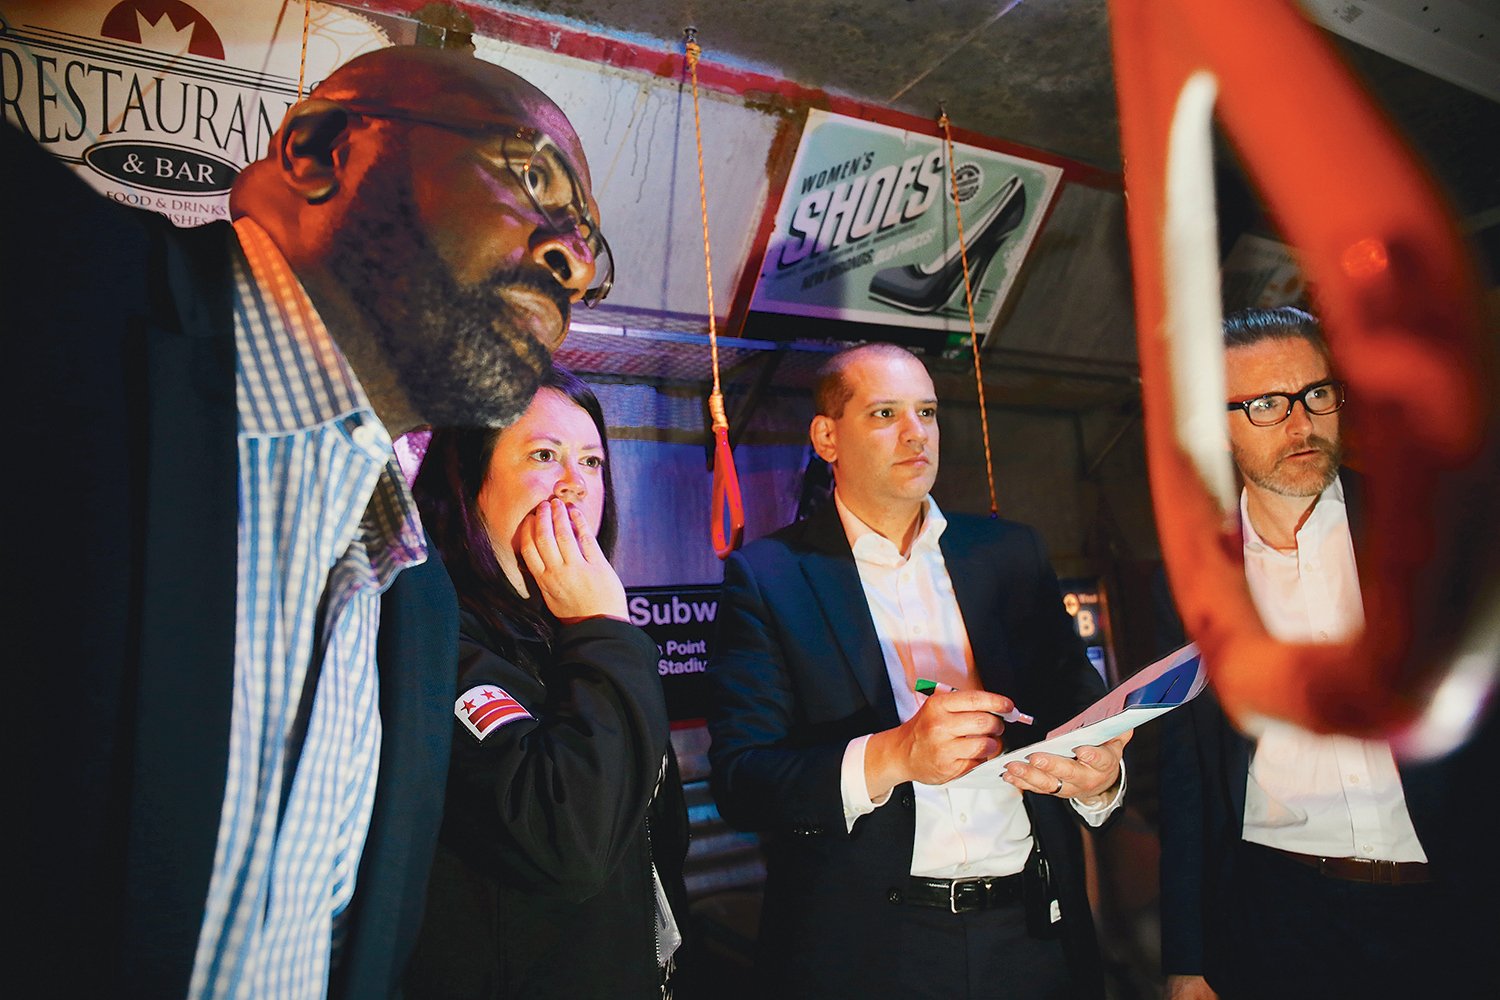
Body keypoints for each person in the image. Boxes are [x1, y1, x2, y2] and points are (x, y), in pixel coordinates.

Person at [6, 45, 609, 1000]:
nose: (572, 260)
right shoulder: (46, 276)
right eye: (532, 178)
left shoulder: (414, 604)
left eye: (587, 241)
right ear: (323, 148)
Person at [705, 343, 1130, 1000]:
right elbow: (743, 782)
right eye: (885, 413)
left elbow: (1079, 709)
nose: (916, 433)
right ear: (827, 437)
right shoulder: (770, 577)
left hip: (1032, 936)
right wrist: (897, 755)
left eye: (926, 412)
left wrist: (1100, 778)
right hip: (873, 950)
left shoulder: (1011, 553)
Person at [1157, 307, 1493, 999]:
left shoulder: (1430, 527)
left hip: (1454, 899)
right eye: (1266, 404)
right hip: (1280, 910)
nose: (1301, 424)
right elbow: (1189, 780)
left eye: (1316, 394)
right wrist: (1186, 958)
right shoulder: (1195, 576)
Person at [401, 368, 689, 999]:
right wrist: (603, 629)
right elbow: (571, 843)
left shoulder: (578, 635)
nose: (575, 482)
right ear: (470, 480)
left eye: (592, 461)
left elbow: (657, 841)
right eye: (543, 455)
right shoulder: (437, 638)